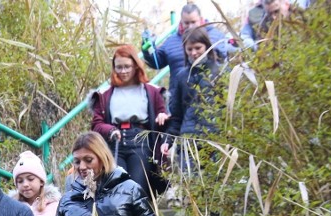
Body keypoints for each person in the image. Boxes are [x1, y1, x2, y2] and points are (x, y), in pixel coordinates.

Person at [91, 44, 169, 195]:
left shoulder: (151, 91)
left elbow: (162, 113)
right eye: (119, 67)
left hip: (140, 142)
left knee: (137, 189)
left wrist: (162, 116)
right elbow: (97, 124)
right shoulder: (105, 93)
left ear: (135, 66)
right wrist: (111, 130)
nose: (123, 71)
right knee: (117, 189)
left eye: (127, 66)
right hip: (114, 142)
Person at [165, 26, 222, 175]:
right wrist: (168, 140)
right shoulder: (181, 76)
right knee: (190, 188)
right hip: (188, 140)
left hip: (215, 140)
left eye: (198, 48)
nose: (194, 53)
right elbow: (176, 115)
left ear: (207, 46)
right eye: (189, 49)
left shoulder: (221, 73)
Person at [142, 3, 229, 81]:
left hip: (210, 90)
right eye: (186, 23)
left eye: (193, 22)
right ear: (181, 21)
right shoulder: (171, 41)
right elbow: (157, 63)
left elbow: (223, 61)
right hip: (180, 93)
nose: (190, 26)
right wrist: (149, 48)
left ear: (200, 19)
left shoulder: (216, 37)